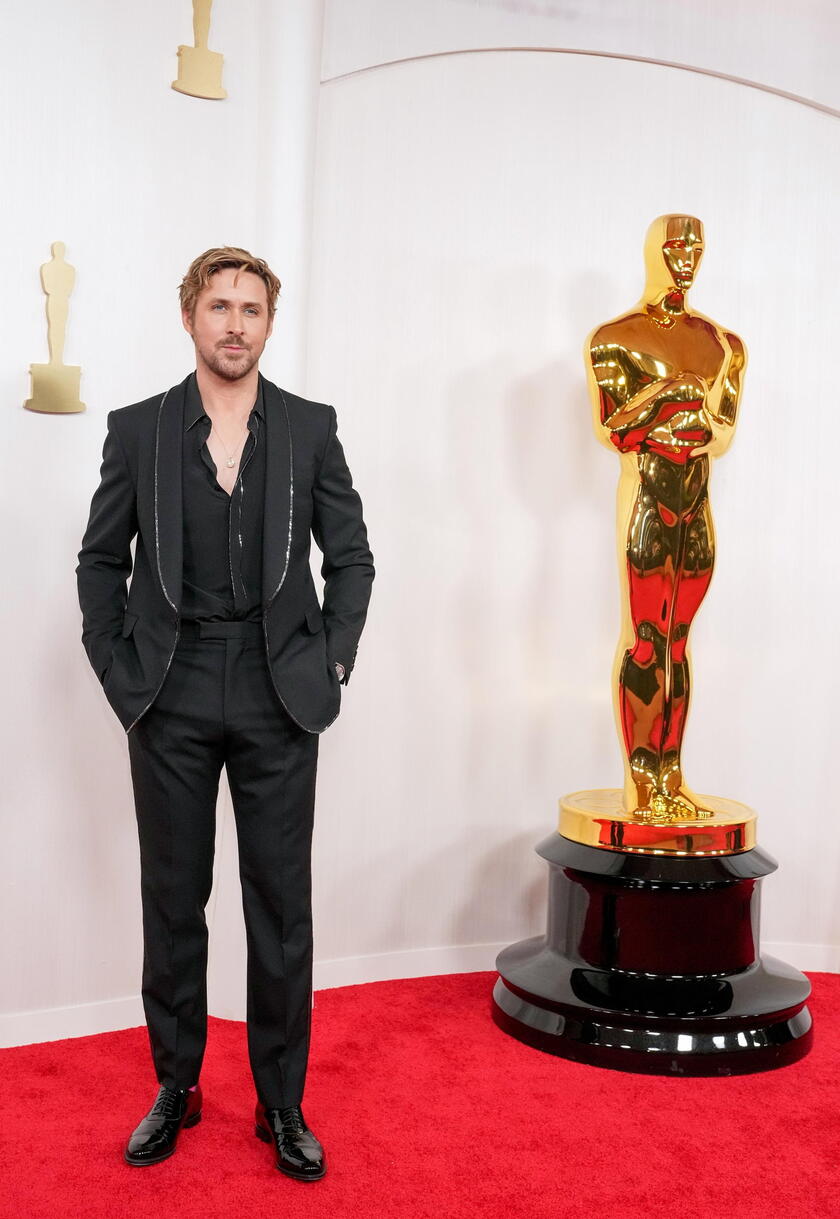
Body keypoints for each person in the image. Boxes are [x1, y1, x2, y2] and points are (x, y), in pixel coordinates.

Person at [76, 246, 374, 1180]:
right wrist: (122, 671)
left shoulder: (310, 428)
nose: (235, 323)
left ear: (269, 323)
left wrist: (328, 660)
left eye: (251, 308)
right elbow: (99, 563)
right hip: (169, 685)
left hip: (280, 686)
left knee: (280, 905)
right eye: (219, 306)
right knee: (174, 899)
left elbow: (353, 558)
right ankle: (177, 1086)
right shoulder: (139, 431)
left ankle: (281, 1104)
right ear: (190, 317)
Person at [584, 214, 745, 821]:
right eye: (676, 246)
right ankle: (642, 780)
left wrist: (688, 417)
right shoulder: (615, 338)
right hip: (649, 499)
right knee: (647, 638)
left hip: (694, 503)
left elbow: (722, 433)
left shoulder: (724, 343)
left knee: (680, 641)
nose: (687, 257)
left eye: (696, 248)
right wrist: (667, 393)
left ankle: (671, 777)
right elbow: (615, 429)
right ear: (655, 250)